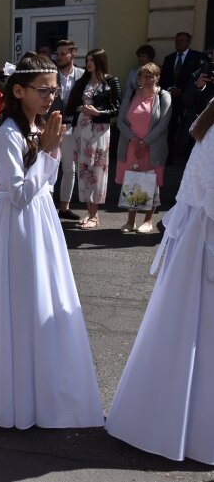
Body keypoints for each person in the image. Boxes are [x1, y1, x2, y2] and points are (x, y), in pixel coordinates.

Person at [0, 54, 103, 429]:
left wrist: (48, 149)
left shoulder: (41, 125)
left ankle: (44, 383)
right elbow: (17, 194)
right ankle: (11, 388)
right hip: (18, 225)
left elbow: (44, 185)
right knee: (21, 298)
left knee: (44, 295)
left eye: (54, 89)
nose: (51, 95)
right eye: (42, 89)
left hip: (41, 220)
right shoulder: (8, 133)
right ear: (19, 90)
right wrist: (46, 152)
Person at [105, 100, 214, 466]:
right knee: (196, 330)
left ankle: (168, 420)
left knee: (183, 328)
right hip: (205, 239)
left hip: (196, 236)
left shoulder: (209, 120)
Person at [65, 48, 121, 229]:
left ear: (100, 61)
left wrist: (98, 112)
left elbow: (117, 109)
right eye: (87, 60)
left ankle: (95, 215)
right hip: (82, 130)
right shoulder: (83, 82)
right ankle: (90, 213)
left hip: (99, 129)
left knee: (96, 171)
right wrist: (81, 109)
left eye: (92, 60)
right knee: (83, 170)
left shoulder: (111, 81)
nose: (88, 63)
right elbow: (71, 105)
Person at [115, 63, 171, 234]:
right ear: (138, 78)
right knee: (132, 181)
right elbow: (120, 121)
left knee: (151, 182)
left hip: (152, 147)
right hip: (130, 146)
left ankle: (148, 221)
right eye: (143, 76)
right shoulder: (132, 93)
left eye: (150, 76)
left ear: (157, 77)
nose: (146, 79)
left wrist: (144, 142)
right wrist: (134, 140)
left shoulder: (163, 96)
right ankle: (130, 221)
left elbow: (163, 124)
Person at [49, 39, 85, 220]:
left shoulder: (82, 75)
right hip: (52, 125)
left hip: (72, 125)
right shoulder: (51, 74)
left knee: (69, 168)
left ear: (73, 54)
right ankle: (47, 204)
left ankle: (64, 207)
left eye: (64, 54)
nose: (60, 57)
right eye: (58, 54)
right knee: (49, 164)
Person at [159, 32, 204, 161]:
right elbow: (164, 79)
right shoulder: (169, 58)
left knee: (188, 128)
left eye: (181, 41)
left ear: (188, 42)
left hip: (188, 100)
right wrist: (170, 89)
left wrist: (183, 91)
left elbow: (196, 79)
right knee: (170, 127)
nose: (178, 43)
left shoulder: (197, 57)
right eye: (177, 41)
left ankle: (187, 158)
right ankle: (168, 158)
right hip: (171, 99)